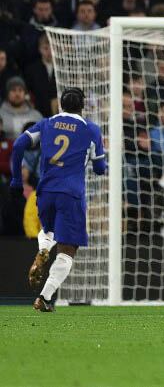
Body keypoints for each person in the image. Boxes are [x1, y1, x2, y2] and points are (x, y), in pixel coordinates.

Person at [9, 88, 107, 311]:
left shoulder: (45, 123)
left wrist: (16, 180)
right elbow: (100, 168)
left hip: (44, 191)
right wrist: (101, 163)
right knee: (67, 250)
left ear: (61, 105)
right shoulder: (90, 129)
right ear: (82, 106)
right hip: (71, 194)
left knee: (48, 230)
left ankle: (44, 249)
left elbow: (17, 146)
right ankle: (44, 297)